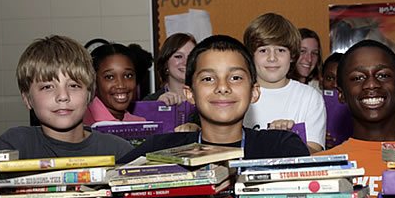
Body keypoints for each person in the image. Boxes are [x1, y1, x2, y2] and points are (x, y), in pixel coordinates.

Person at [118, 34, 310, 164]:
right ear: (190, 94)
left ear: (254, 92)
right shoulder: (160, 150)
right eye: (208, 79)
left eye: (235, 78)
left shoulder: (282, 147)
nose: (223, 87)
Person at [0, 35, 133, 167]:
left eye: (74, 86)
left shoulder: (118, 150)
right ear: (27, 99)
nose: (63, 96)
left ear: (89, 94)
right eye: (48, 87)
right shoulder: (15, 145)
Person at [314, 39, 395, 198]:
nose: (371, 84)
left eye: (383, 75)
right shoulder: (322, 167)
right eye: (358, 78)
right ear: (341, 94)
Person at [242, 13, 327, 154]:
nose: (272, 58)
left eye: (280, 50)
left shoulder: (309, 97)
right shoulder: (239, 94)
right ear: (251, 55)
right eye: (263, 50)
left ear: (292, 55)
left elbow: (315, 153)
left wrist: (287, 139)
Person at [83, 42, 146, 126]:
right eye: (110, 77)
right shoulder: (82, 123)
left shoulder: (140, 124)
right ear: (93, 80)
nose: (121, 85)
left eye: (128, 75)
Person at [142, 33, 197, 105]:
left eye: (191, 56)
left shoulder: (208, 100)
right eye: (178, 56)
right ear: (165, 64)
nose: (186, 62)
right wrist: (157, 108)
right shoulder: (150, 102)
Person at [288, 28, 322, 93]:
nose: (309, 59)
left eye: (314, 53)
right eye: (302, 51)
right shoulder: (279, 87)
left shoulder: (318, 90)